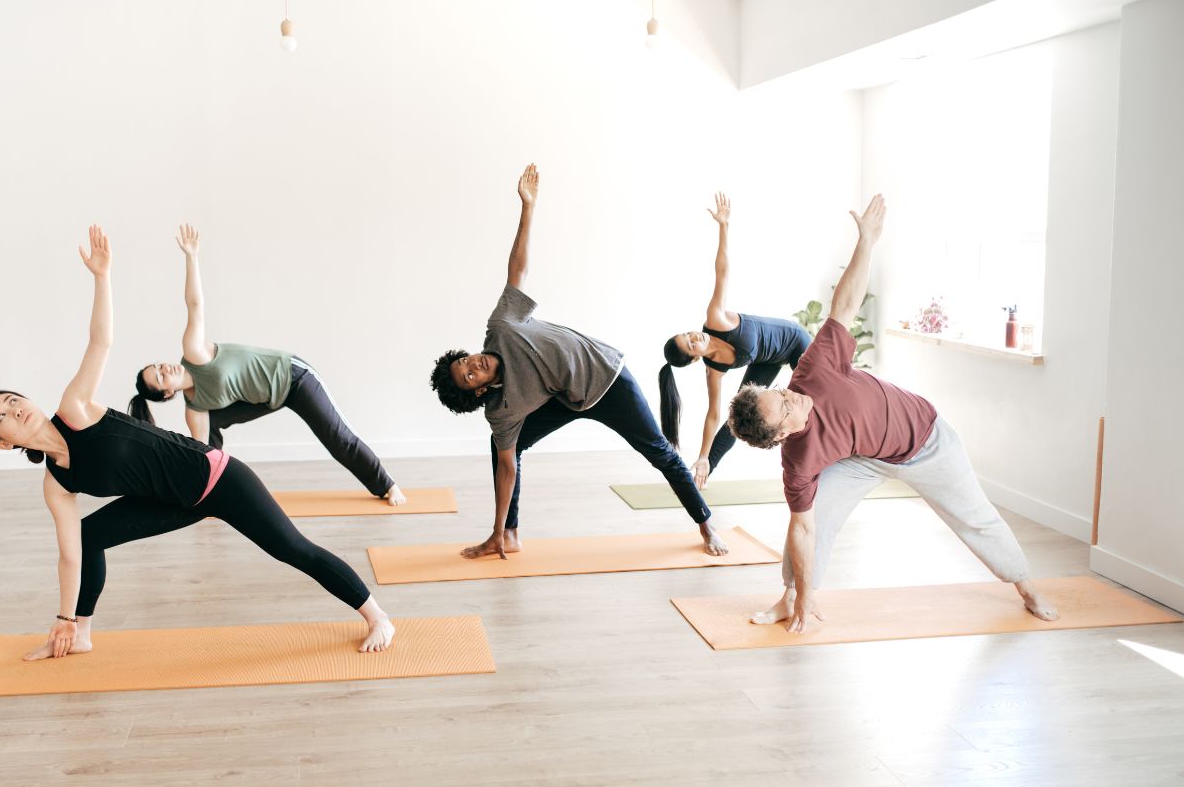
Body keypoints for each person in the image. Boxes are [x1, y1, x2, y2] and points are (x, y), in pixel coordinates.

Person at [0, 226, 394, 661]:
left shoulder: (74, 407)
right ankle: (81, 633)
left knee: (292, 549)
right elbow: (68, 556)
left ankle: (377, 616)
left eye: (12, 399)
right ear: (4, 443)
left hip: (217, 478)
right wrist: (63, 618)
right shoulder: (56, 483)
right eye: (1, 416)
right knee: (87, 537)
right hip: (176, 501)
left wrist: (102, 277)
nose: (14, 408)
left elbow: (101, 341)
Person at [726, 195, 1059, 633]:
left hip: (928, 441)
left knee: (975, 516)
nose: (793, 397)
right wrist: (807, 592)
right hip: (865, 459)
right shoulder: (799, 462)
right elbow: (804, 530)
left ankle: (1027, 587)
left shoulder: (813, 371)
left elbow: (843, 307)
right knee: (810, 520)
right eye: (784, 407)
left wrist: (866, 242)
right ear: (780, 436)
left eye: (781, 393)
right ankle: (793, 598)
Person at [428, 165, 728, 560]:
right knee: (505, 447)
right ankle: (509, 535)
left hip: (607, 378)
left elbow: (517, 269)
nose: (474, 364)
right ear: (479, 391)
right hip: (568, 397)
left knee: (659, 452)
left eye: (466, 361)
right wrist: (494, 530)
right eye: (469, 376)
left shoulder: (502, 325)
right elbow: (506, 468)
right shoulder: (502, 411)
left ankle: (706, 525)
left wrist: (528, 208)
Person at [128, 224, 406, 506]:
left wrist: (191, 257)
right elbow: (202, 454)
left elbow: (195, 305)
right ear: (166, 394)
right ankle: (215, 494)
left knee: (338, 439)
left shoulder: (194, 352)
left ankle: (387, 485)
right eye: (161, 378)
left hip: (292, 378)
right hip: (267, 398)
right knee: (206, 441)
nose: (166, 369)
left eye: (159, 366)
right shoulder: (195, 409)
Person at [657, 192, 811, 487]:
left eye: (687, 334)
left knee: (811, 397)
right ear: (695, 358)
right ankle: (702, 474)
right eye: (691, 344)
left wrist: (723, 226)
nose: (694, 336)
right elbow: (714, 414)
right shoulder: (714, 369)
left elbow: (722, 272)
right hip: (769, 360)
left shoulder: (716, 319)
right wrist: (703, 454)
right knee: (738, 415)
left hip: (795, 340)